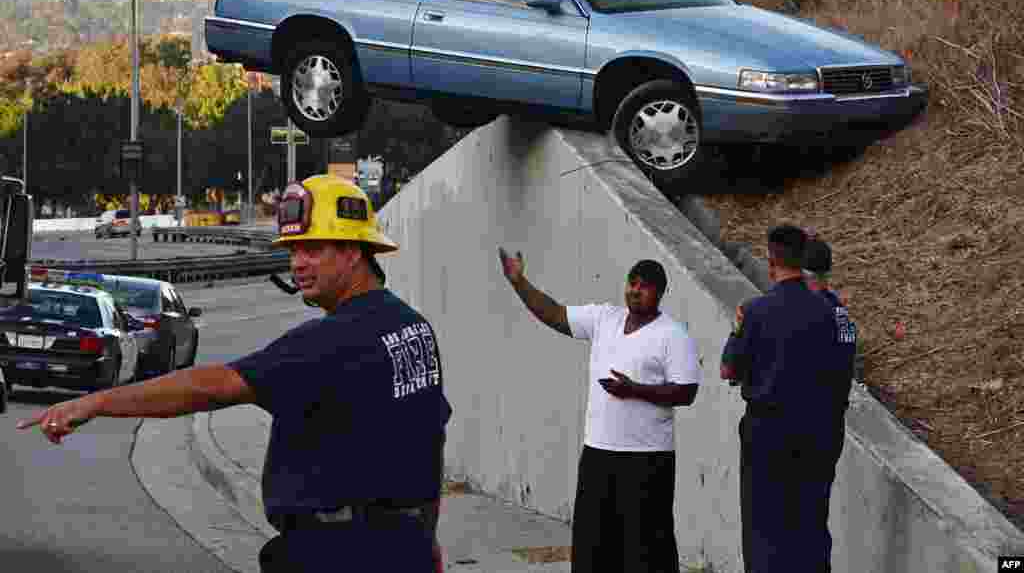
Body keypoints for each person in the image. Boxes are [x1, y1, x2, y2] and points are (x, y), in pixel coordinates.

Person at [19, 175, 451, 573]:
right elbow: (427, 439)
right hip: (402, 545)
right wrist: (424, 539)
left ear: (355, 251)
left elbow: (210, 386)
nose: (297, 263)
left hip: (339, 553)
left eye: (313, 248)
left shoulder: (333, 340)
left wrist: (95, 402)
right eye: (293, 249)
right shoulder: (410, 326)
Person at [498, 248, 700, 573]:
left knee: (646, 547)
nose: (635, 289)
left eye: (644, 285)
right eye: (632, 282)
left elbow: (686, 392)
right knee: (593, 544)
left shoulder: (673, 335)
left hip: (647, 459)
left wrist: (634, 390)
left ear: (660, 293)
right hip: (598, 453)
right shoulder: (605, 318)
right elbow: (554, 314)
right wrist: (519, 282)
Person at [720, 225, 856, 573]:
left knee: (764, 528)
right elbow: (842, 371)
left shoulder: (755, 312)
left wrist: (737, 330)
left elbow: (728, 370)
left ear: (772, 261)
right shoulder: (835, 314)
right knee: (811, 524)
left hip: (767, 435)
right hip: (819, 433)